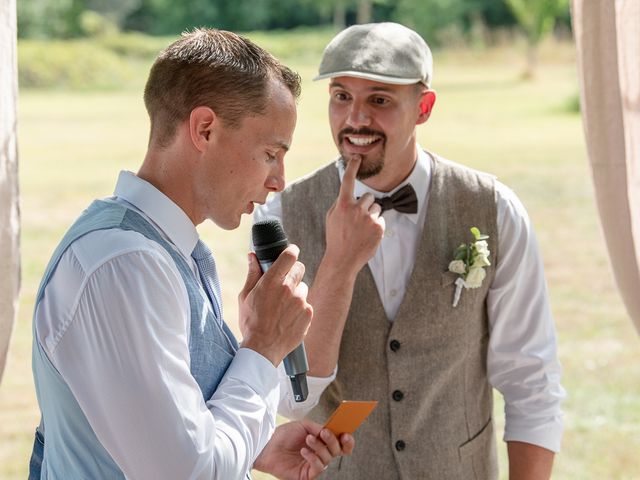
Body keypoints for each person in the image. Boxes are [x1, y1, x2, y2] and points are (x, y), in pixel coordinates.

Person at [29, 28, 354, 480]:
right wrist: (262, 346)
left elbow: (156, 433)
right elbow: (189, 473)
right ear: (205, 129)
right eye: (269, 153)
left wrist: (254, 446)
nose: (279, 180)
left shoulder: (160, 251)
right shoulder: (126, 264)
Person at [255, 22, 566, 479]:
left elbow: (531, 381)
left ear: (424, 107)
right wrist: (339, 264)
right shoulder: (281, 217)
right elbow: (290, 395)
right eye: (341, 96)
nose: (355, 119)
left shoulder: (493, 209)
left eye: (379, 100)